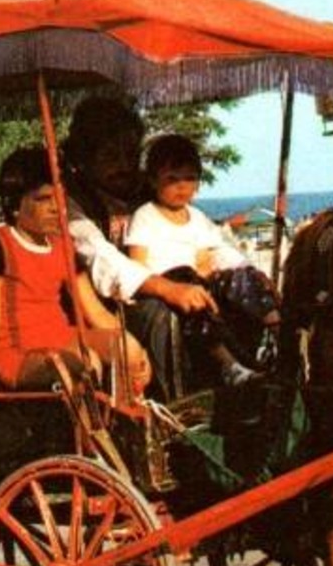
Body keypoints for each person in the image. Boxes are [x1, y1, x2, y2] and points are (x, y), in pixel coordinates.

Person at [61, 96, 225, 391]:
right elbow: (101, 259)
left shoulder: (150, 190)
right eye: (111, 157)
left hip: (176, 285)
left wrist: (228, 266)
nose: (124, 166)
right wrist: (168, 289)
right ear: (84, 160)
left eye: (130, 155)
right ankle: (180, 409)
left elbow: (204, 233)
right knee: (161, 315)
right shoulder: (72, 204)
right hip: (103, 310)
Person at [0, 147, 147, 418]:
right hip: (19, 353)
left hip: (62, 338)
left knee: (127, 350)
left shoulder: (63, 245)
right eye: (44, 199)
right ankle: (94, 434)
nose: (57, 208)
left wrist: (134, 349)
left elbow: (95, 311)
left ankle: (125, 421)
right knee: (85, 363)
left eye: (61, 199)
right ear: (14, 205)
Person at [125, 134, 279, 386]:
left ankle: (277, 332)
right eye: (172, 179)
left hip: (201, 280)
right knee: (186, 277)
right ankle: (228, 365)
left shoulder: (197, 217)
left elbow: (215, 253)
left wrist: (243, 271)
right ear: (153, 181)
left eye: (189, 179)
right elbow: (138, 264)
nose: (182, 187)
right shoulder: (145, 216)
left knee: (242, 275)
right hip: (170, 287)